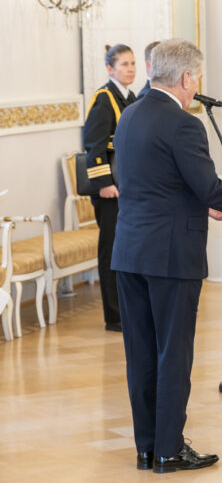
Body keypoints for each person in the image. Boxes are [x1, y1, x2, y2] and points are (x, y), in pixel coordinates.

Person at [111, 38, 222, 473]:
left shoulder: (130, 115)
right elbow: (209, 187)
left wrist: (202, 205)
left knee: (140, 354)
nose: (196, 88)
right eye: (197, 79)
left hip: (129, 252)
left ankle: (148, 447)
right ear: (187, 77)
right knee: (173, 353)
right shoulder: (184, 124)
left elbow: (150, 185)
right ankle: (170, 450)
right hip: (171, 255)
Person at [83, 43, 136, 332]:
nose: (130, 69)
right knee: (111, 250)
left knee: (125, 248)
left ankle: (126, 309)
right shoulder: (104, 98)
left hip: (126, 185)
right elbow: (94, 144)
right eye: (124, 64)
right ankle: (114, 315)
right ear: (109, 68)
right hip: (109, 188)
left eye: (132, 64)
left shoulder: (130, 97)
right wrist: (103, 183)